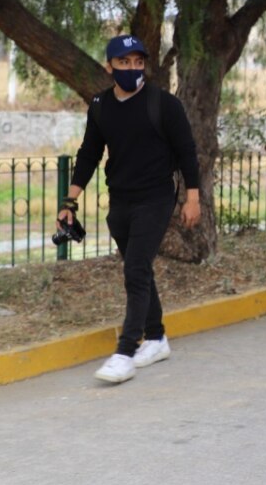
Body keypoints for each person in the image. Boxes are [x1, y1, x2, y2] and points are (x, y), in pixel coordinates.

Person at [61, 35, 201, 384]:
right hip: (120, 200)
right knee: (138, 269)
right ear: (110, 67)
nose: (132, 68)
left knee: (136, 269)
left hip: (156, 198)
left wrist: (193, 197)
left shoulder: (163, 104)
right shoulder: (101, 106)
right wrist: (70, 200)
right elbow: (89, 153)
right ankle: (156, 338)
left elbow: (187, 151)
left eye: (138, 62)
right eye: (124, 63)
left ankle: (125, 351)